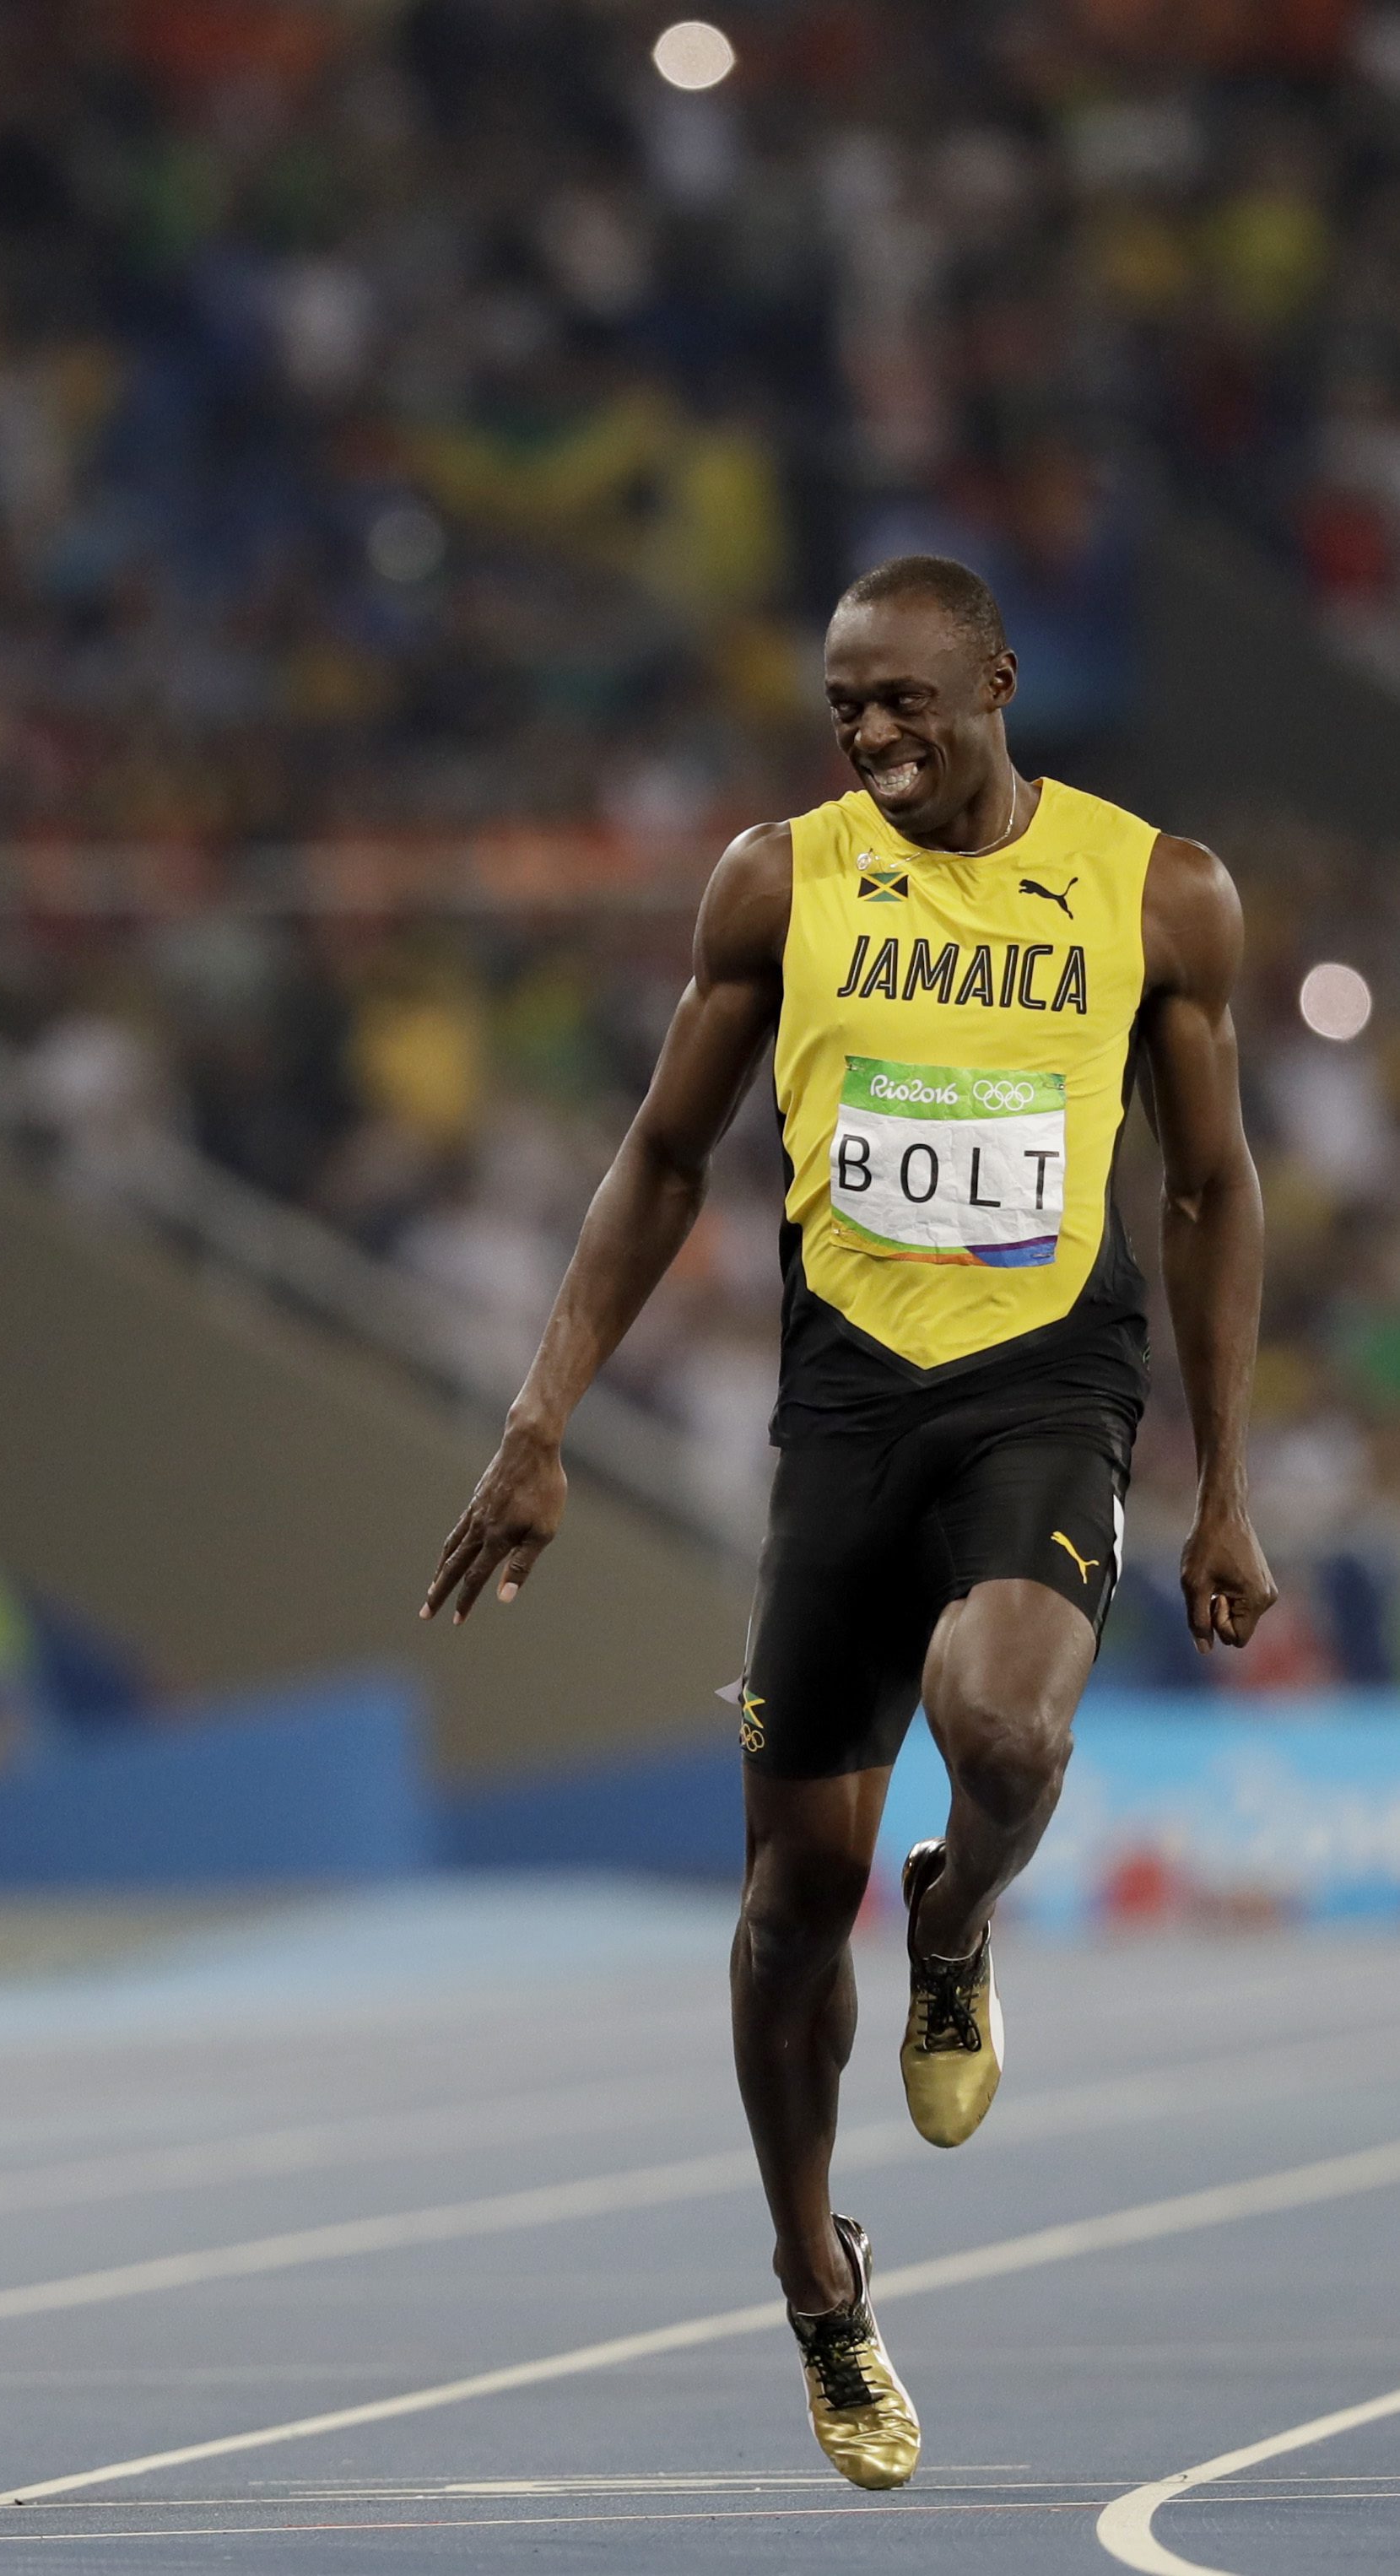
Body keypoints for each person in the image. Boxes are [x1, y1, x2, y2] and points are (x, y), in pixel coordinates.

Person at [421, 558, 1273, 2489]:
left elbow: (1214, 1191)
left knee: (1004, 1729)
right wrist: (537, 1417)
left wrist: (1223, 1487)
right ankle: (818, 2282)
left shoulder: (1161, 892)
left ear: (996, 678)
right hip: (844, 1417)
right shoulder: (777, 883)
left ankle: (956, 1914)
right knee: (786, 1904)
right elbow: (656, 1159)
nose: (873, 737)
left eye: (905, 701)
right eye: (842, 711)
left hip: (1047, 1393)